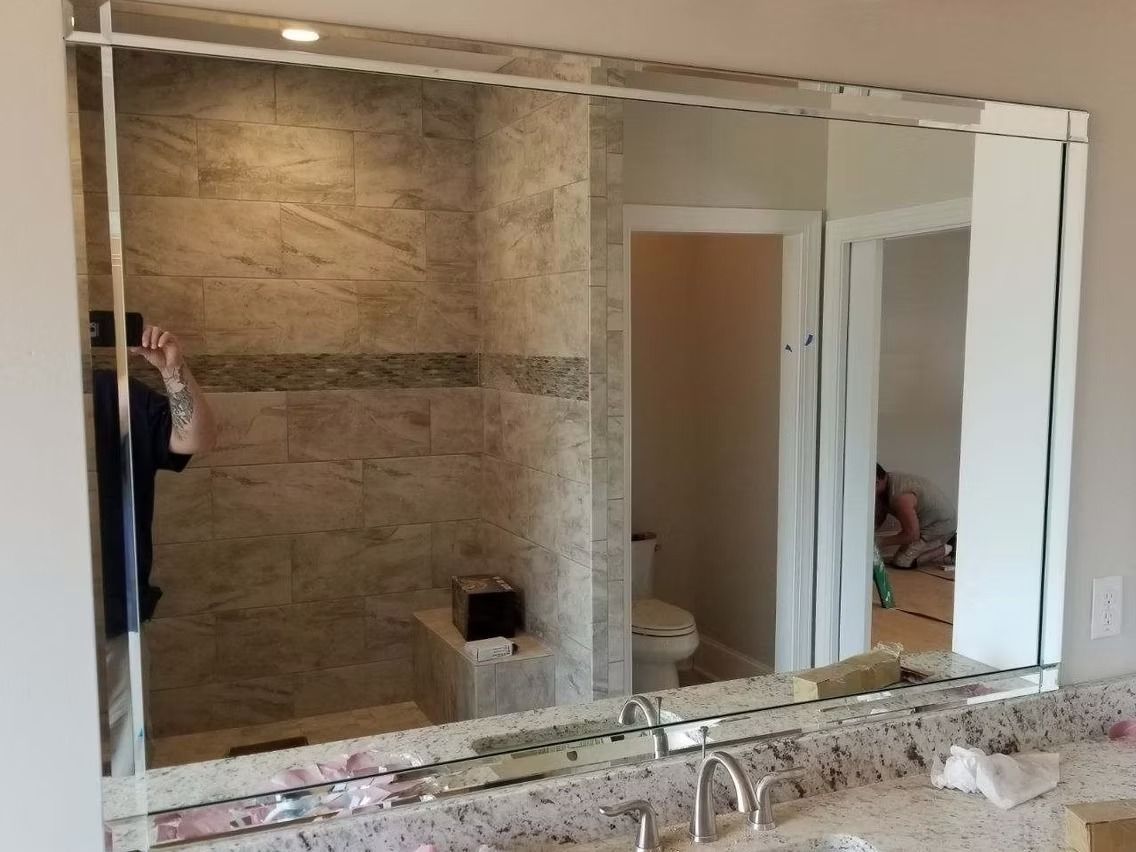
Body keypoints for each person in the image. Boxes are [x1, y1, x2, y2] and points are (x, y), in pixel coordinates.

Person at [92, 325, 216, 774]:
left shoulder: (113, 395)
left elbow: (194, 438)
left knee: (129, 757)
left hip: (116, 608)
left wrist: (172, 370)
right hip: (30, 617)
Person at [874, 463, 957, 569]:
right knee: (900, 558)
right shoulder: (886, 484)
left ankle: (949, 546)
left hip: (942, 524)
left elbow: (912, 535)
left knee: (902, 562)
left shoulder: (901, 498)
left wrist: (878, 542)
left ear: (876, 482)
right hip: (924, 522)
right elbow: (880, 515)